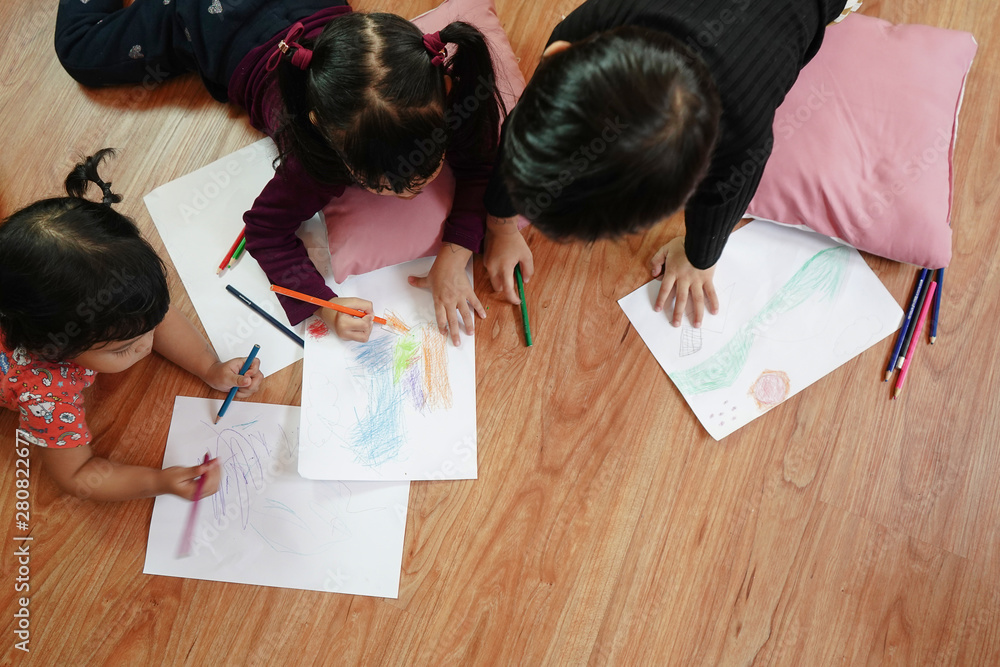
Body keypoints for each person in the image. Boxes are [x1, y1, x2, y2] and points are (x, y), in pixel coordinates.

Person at [54, 1, 519, 346]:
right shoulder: (313, 158)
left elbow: (481, 165)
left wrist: (457, 254)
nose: (410, 192)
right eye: (383, 184)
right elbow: (264, 232)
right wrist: (326, 305)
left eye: (428, 161)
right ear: (326, 137)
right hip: (207, 19)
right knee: (81, 48)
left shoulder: (447, 94)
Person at [485, 0, 859, 328]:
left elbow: (726, 194)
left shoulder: (741, 131)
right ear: (558, 53)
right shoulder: (590, 25)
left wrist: (700, 257)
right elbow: (529, 129)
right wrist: (500, 225)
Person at [0, 150, 264, 501]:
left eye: (148, 325)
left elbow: (155, 319)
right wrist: (159, 483)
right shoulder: (47, 395)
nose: (146, 344)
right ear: (55, 349)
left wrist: (211, 368)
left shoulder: (118, 298)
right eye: (121, 348)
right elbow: (77, 475)